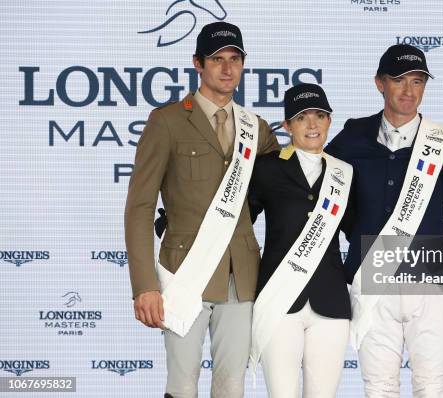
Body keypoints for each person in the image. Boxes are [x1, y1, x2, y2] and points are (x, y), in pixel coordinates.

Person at [124, 21, 279, 398]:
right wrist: (144, 286)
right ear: (198, 63)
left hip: (239, 276)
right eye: (217, 59)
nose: (227, 69)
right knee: (182, 386)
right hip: (183, 275)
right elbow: (140, 206)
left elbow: (276, 190)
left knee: (231, 387)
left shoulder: (255, 128)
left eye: (235, 59)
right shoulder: (167, 121)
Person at [325, 44, 443, 397]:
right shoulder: (353, 135)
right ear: (379, 83)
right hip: (370, 281)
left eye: (418, 81)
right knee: (378, 387)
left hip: (432, 285)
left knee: (431, 386)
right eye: (399, 81)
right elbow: (322, 187)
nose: (409, 91)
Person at [247, 83, 354, 397]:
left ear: (329, 121)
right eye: (302, 117)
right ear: (287, 125)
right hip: (280, 298)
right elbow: (240, 224)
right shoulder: (266, 169)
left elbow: (358, 231)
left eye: (319, 115)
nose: (312, 124)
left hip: (331, 302)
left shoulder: (345, 174)